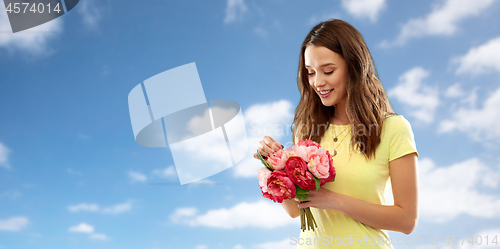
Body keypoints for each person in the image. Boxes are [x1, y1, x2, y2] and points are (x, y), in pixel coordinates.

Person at [254, 19, 418, 248]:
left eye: (328, 71)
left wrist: (334, 200)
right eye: (310, 73)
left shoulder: (393, 129)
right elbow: (295, 210)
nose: (317, 82)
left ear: (354, 66)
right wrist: (276, 164)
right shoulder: (307, 128)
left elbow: (406, 220)